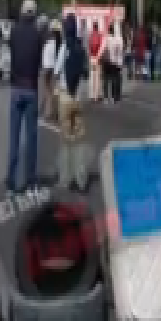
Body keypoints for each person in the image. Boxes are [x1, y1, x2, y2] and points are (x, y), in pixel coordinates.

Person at [6, 0, 43, 193]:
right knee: (31, 137)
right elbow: (37, 59)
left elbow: (13, 52)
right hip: (31, 87)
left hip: (16, 86)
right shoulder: (38, 35)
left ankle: (11, 179)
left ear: (22, 12)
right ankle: (30, 178)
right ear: (34, 13)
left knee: (14, 135)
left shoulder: (14, 31)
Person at [54, 13, 89, 191]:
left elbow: (56, 69)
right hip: (78, 96)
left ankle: (66, 178)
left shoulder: (64, 47)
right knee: (79, 138)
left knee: (66, 139)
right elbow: (85, 70)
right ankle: (81, 178)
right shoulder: (80, 47)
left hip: (65, 95)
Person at [40, 20, 62, 121]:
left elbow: (44, 58)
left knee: (48, 91)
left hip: (47, 68)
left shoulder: (48, 43)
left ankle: (48, 112)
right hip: (56, 69)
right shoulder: (61, 44)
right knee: (55, 91)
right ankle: (55, 112)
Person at [103, 23, 125, 103]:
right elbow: (120, 50)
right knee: (114, 79)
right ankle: (113, 97)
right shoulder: (117, 39)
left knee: (105, 79)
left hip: (106, 62)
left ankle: (106, 97)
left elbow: (103, 49)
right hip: (114, 62)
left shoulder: (106, 38)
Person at [88, 21, 104, 101]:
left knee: (92, 76)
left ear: (93, 27)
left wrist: (90, 55)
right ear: (97, 27)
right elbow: (101, 48)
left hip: (92, 58)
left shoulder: (90, 36)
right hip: (98, 58)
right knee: (98, 77)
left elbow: (88, 47)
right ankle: (96, 96)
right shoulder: (100, 36)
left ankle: (91, 95)